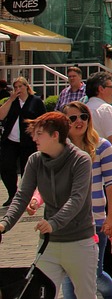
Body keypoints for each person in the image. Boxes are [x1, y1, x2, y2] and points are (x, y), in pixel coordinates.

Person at [0, 111, 97, 297]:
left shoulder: (81, 160)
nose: (34, 138)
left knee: (86, 294)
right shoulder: (35, 160)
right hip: (49, 245)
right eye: (34, 133)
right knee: (38, 293)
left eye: (39, 134)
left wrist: (53, 222)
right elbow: (21, 196)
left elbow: (77, 199)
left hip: (80, 242)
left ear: (55, 136)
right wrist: (4, 224)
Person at [61, 99, 112, 299]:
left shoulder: (103, 146)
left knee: (94, 273)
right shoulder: (60, 149)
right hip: (67, 222)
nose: (79, 121)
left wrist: (111, 216)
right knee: (70, 272)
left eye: (84, 117)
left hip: (95, 219)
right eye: (73, 118)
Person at [0, 76, 45, 205]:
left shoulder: (35, 101)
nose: (18, 89)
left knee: (27, 169)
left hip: (28, 141)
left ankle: (26, 196)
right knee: (6, 167)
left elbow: (43, 120)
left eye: (20, 86)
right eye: (15, 87)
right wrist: (11, 99)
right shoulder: (12, 101)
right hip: (10, 140)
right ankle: (12, 194)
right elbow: (1, 115)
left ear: (26, 87)